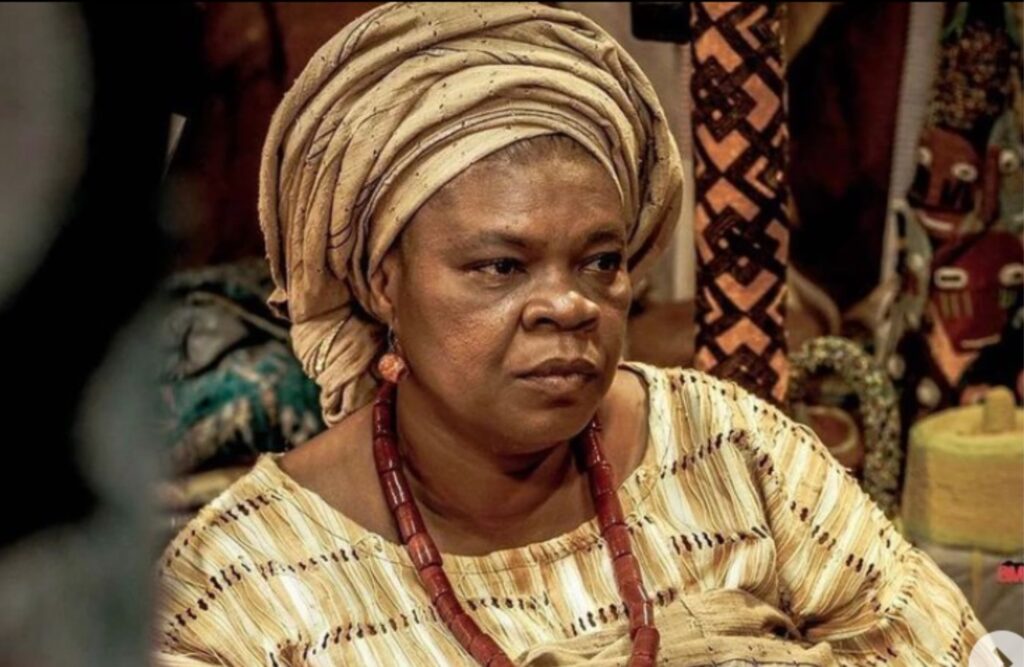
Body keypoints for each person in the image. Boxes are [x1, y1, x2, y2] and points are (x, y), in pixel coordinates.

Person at [153, 3, 986, 665]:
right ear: (382, 282)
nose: (569, 305)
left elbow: (941, 646)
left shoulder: (732, 450)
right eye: (500, 266)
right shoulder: (242, 581)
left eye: (600, 262)